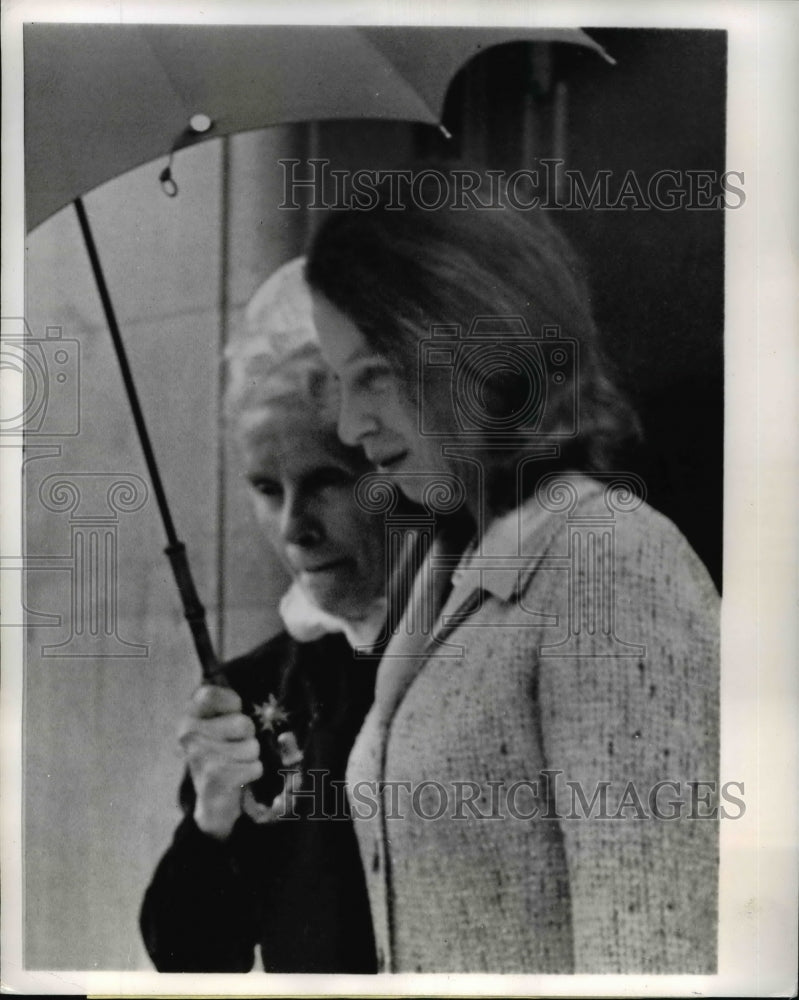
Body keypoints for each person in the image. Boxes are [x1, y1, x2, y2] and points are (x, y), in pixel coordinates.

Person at [305, 166, 721, 974]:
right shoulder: (449, 570)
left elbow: (654, 955)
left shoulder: (608, 562)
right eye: (339, 384)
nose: (352, 426)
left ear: (473, 349)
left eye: (374, 377)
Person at [139, 257, 387, 973]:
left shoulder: (472, 640)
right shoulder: (254, 690)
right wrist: (212, 817)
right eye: (265, 487)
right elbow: (189, 956)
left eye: (325, 482)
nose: (291, 527)